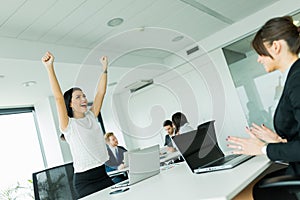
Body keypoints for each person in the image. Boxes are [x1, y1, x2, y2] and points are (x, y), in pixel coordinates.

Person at [227, 16, 300, 200]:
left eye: (260, 52)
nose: (259, 59)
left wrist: (262, 149)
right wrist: (278, 140)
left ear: (276, 47)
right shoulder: (294, 76)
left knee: (240, 195)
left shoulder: (297, 80)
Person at [41, 51, 113, 199]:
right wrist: (49, 67)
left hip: (103, 174)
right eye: (78, 97)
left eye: (84, 96)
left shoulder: (91, 116)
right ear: (71, 104)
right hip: (85, 182)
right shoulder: (68, 125)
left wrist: (104, 69)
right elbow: (58, 98)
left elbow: (100, 93)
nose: (84, 99)